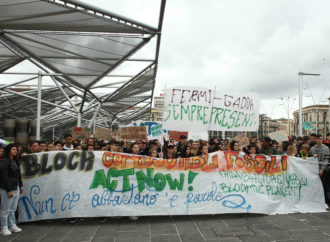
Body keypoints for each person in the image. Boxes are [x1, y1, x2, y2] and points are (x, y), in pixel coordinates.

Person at [0, 144, 23, 236]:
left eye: (16, 149)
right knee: (5, 209)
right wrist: (8, 189)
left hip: (15, 186)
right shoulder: (5, 162)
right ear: (9, 150)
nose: (16, 151)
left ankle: (12, 224)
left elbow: (18, 175)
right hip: (7, 187)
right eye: (13, 149)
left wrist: (20, 186)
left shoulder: (15, 161)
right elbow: (4, 176)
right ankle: (3, 227)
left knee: (13, 208)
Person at [310, 134, 330, 208]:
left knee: (323, 187)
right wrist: (313, 157)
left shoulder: (326, 148)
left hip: (324, 171)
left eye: (321, 139)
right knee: (315, 187)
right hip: (314, 170)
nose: (319, 140)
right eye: (318, 139)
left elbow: (326, 159)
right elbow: (310, 159)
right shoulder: (312, 149)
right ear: (316, 140)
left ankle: (324, 202)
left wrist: (321, 170)